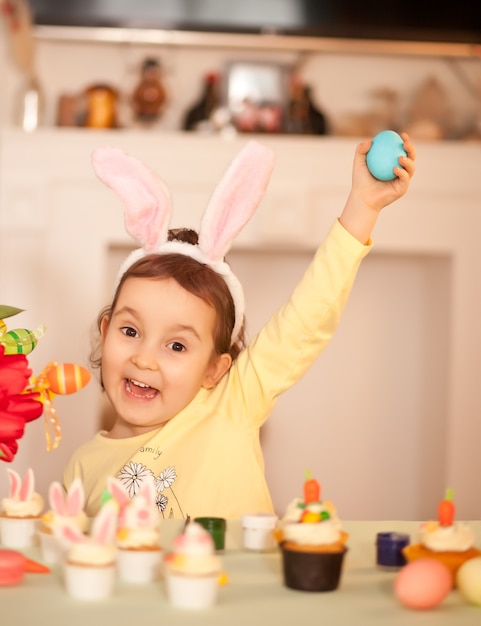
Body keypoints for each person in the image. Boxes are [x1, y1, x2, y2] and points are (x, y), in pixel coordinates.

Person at [63, 136, 416, 519]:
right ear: (105, 331)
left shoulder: (232, 404)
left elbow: (306, 318)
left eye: (177, 346)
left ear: (215, 368)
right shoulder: (80, 468)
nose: (144, 359)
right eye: (130, 332)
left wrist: (362, 207)